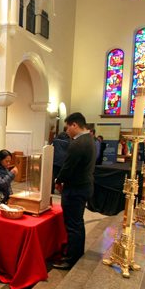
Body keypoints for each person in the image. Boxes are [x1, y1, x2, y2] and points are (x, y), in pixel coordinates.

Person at [54, 112, 96, 270]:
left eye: (67, 127)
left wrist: (58, 180)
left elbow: (68, 167)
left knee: (72, 225)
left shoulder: (78, 143)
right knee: (78, 223)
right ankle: (76, 253)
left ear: (74, 125)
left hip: (75, 189)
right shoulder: (89, 139)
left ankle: (71, 259)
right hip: (84, 186)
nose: (66, 131)